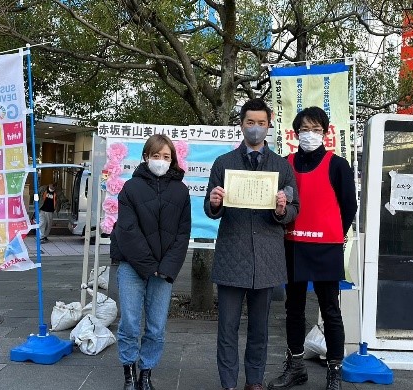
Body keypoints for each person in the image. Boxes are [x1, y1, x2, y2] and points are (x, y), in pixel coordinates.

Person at [204, 98, 299, 390]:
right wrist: (215, 202)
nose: (255, 129)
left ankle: (254, 382)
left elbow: (295, 209)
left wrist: (282, 208)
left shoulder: (281, 167)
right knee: (227, 328)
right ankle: (229, 383)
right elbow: (211, 209)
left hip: (267, 258)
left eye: (261, 123)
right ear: (241, 124)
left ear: (268, 126)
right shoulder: (224, 163)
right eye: (250, 122)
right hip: (232, 254)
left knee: (260, 328)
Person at [268, 107, 357, 390]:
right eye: (305, 129)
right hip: (293, 244)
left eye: (316, 129)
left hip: (326, 247)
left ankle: (334, 370)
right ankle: (295, 367)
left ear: (325, 132)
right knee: (293, 308)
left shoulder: (338, 165)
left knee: (330, 309)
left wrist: (334, 235)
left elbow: (349, 206)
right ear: (295, 133)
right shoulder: (285, 163)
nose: (310, 134)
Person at [110, 134, 191, 390]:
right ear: (146, 157)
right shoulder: (130, 188)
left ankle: (146, 374)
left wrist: (165, 268)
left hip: (163, 271)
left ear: (173, 160)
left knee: (156, 328)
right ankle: (128, 373)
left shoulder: (181, 191)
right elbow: (127, 230)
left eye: (166, 157)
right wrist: (148, 265)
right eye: (156, 156)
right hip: (132, 266)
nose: (161, 161)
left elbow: (182, 234)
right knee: (130, 324)